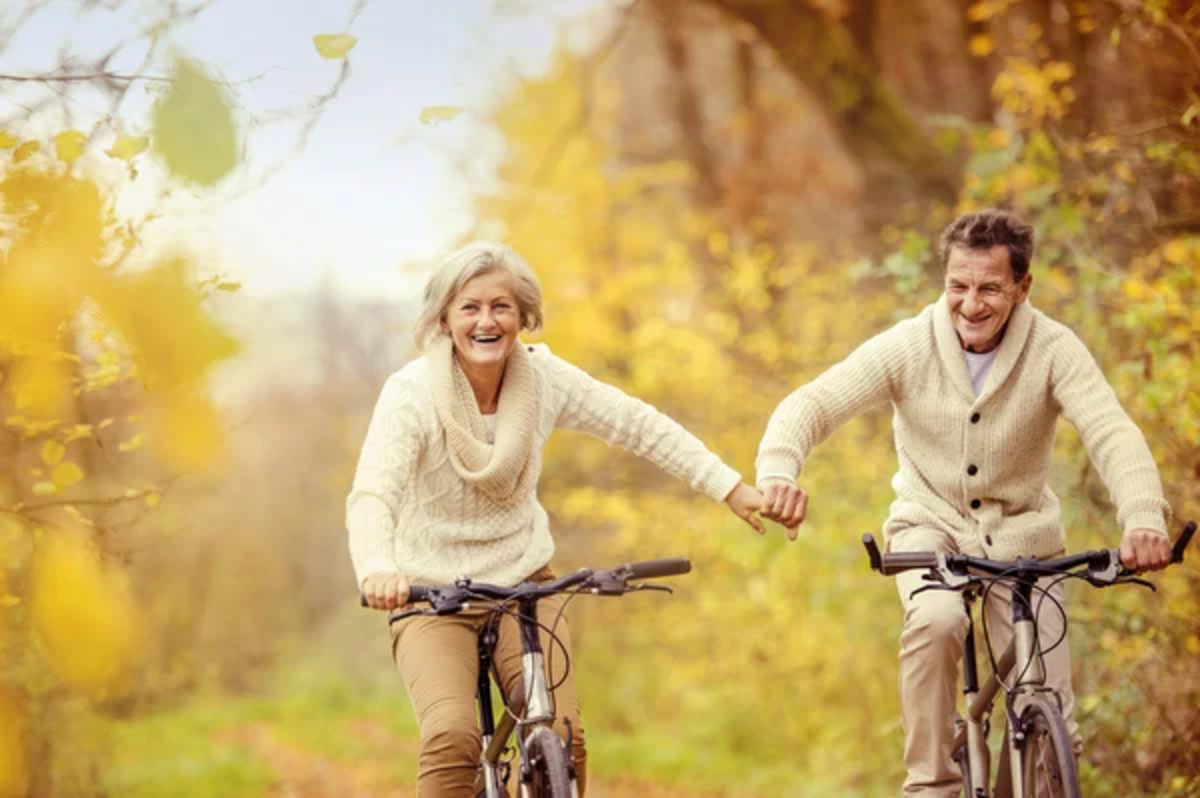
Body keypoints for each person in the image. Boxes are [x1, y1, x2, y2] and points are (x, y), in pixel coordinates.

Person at [754, 209, 1173, 796]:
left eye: (989, 288)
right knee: (936, 618)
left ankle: (1031, 774)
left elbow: (1111, 432)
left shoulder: (1054, 349)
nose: (970, 304)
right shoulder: (909, 345)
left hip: (1026, 537)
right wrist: (778, 470)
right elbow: (814, 404)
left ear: (1023, 288)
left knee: (1049, 708)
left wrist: (1143, 517)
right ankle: (931, 783)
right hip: (928, 528)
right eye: (958, 286)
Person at [346, 242, 764, 796]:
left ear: (523, 315)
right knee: (451, 736)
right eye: (469, 307)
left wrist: (729, 486)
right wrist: (378, 566)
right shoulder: (410, 394)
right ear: (444, 318)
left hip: (525, 585)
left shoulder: (543, 379)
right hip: (431, 597)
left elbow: (636, 424)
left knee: (562, 732)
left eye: (502, 306)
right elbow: (374, 493)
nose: (486, 321)